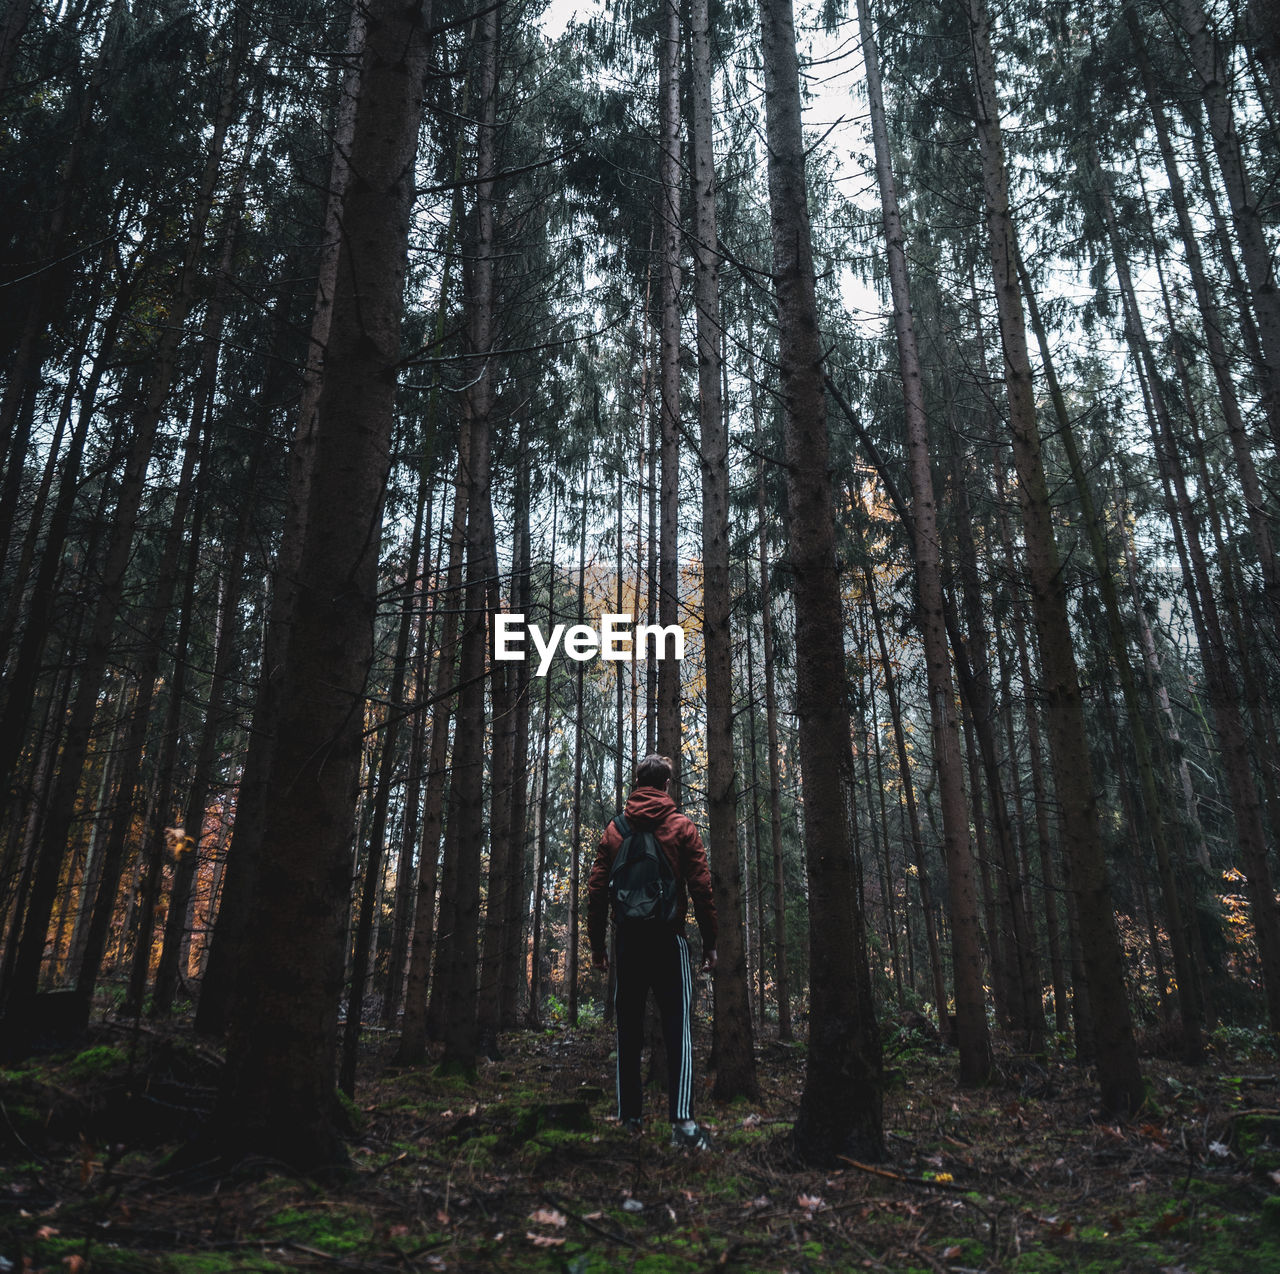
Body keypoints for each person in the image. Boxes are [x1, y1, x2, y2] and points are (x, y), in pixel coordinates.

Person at [587, 753, 718, 1149]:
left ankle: (630, 1120)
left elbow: (595, 891)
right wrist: (710, 944)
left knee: (627, 1031)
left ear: (637, 783)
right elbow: (701, 888)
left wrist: (597, 947)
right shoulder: (681, 825)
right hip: (669, 940)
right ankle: (683, 1125)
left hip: (627, 943)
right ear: (665, 786)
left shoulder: (615, 829)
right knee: (679, 1031)